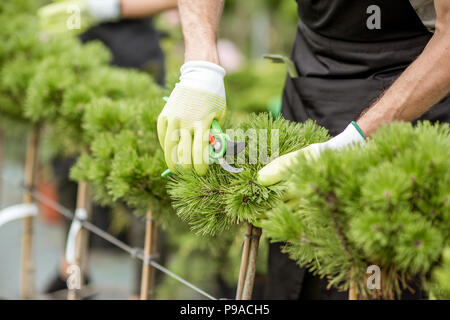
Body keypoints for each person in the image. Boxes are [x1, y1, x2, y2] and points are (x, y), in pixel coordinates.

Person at [157, 0, 450, 299]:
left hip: (414, 92)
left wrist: (356, 139)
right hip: (310, 78)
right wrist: (200, 68)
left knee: (384, 274)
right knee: (293, 268)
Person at [39, 0, 177, 299]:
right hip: (81, 61)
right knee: (68, 169)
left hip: (133, 65)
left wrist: (113, 7)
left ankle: (144, 291)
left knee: (139, 184)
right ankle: (73, 272)